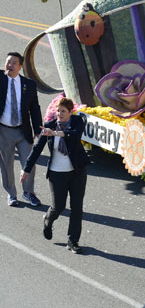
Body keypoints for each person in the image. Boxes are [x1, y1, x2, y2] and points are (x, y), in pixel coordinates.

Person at [22, 97, 89, 254]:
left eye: (63, 111)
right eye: (58, 110)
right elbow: (37, 149)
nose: (59, 113)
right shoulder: (49, 127)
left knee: (77, 207)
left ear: (70, 112)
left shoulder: (77, 122)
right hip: (56, 174)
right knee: (58, 206)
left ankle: (73, 241)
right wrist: (26, 169)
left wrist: (56, 133)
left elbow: (74, 134)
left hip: (77, 172)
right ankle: (48, 220)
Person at [1, 52, 42, 207]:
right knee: (7, 165)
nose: (9, 65)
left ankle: (28, 193)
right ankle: (11, 194)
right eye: (7, 62)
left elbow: (34, 108)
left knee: (29, 163)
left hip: (23, 130)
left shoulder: (28, 84)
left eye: (13, 63)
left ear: (20, 66)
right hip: (4, 132)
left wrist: (38, 128)